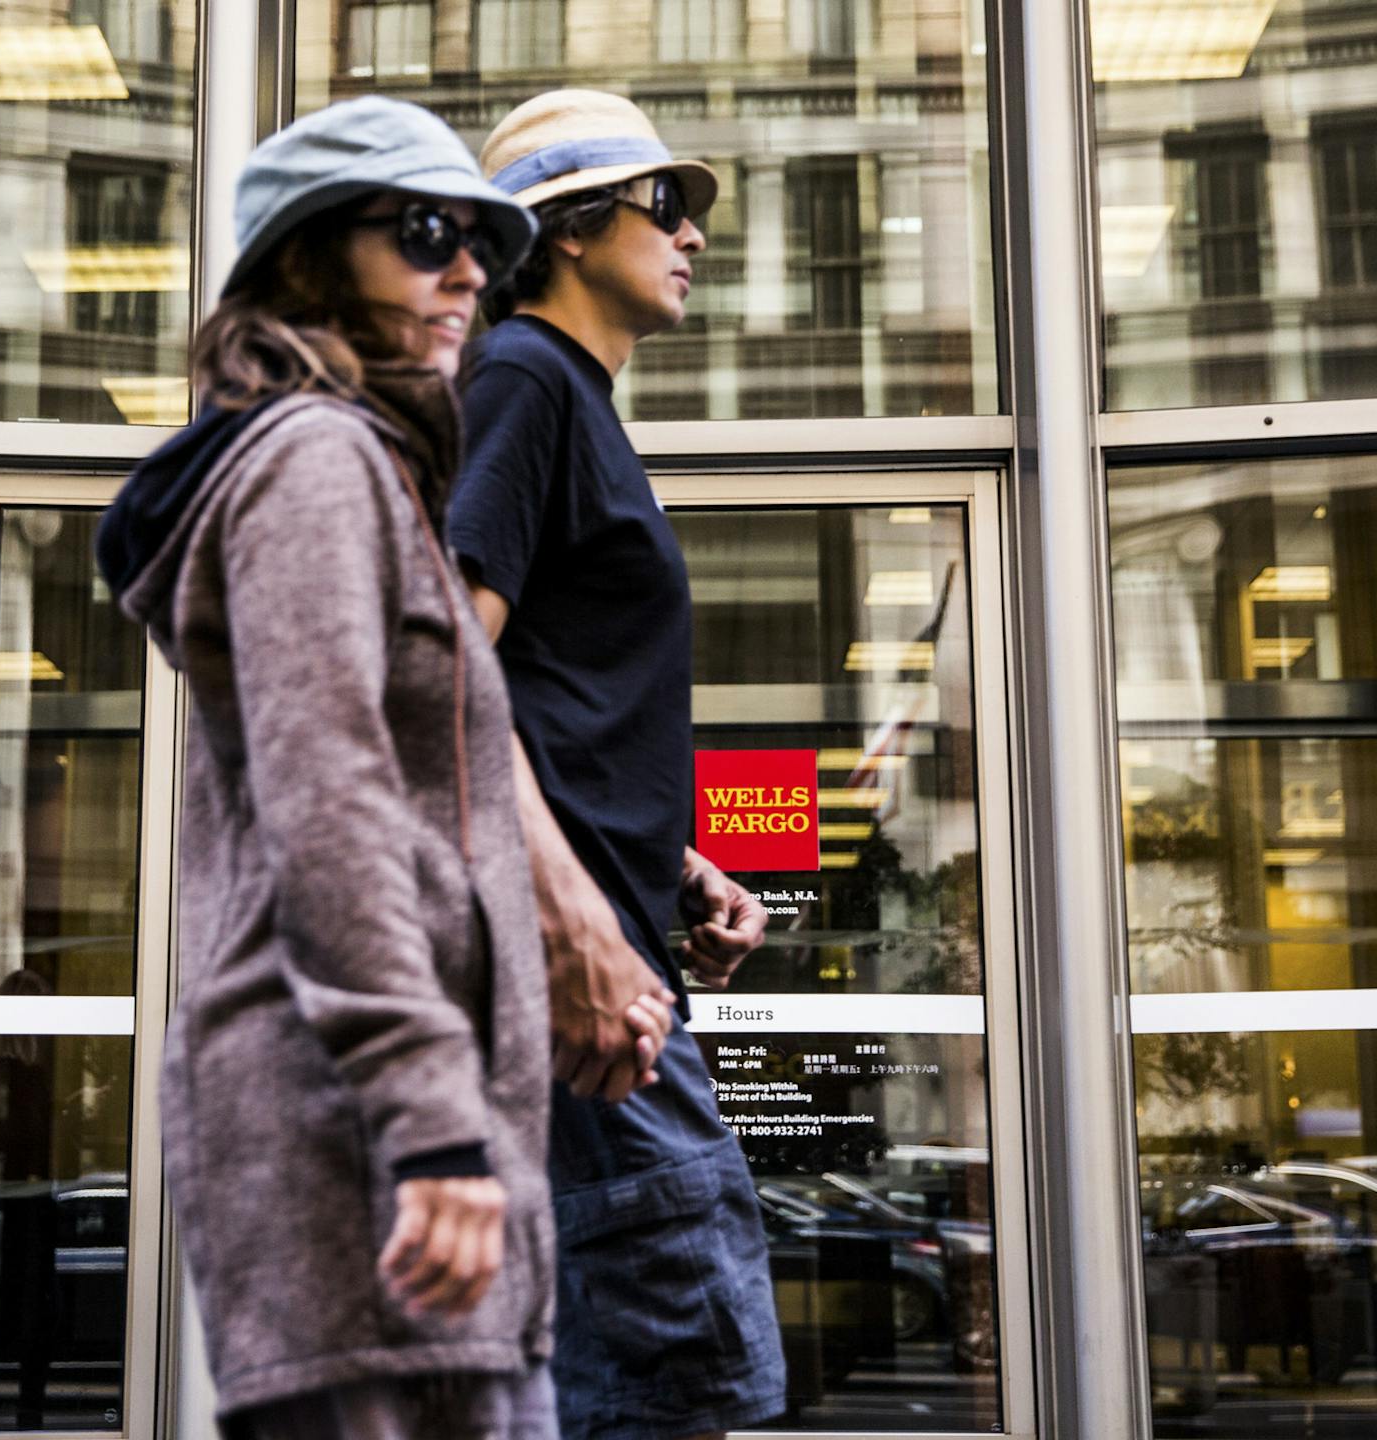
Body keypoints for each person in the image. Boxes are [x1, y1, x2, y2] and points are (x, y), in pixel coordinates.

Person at [95, 96, 657, 1440]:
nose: (466, 270)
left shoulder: (376, 470)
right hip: (358, 1150)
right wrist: (431, 1126)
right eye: (422, 235)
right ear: (308, 262)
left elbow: (419, 802)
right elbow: (330, 805)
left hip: (419, 1153)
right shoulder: (313, 460)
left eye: (479, 242)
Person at [449, 90, 789, 1440]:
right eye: (667, 204)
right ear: (573, 229)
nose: (694, 233)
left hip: (587, 968)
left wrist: (671, 863)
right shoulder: (524, 380)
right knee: (676, 1383)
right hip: (570, 990)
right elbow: (436, 676)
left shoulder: (565, 399)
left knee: (615, 1386)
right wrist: (581, 925)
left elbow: (538, 700)